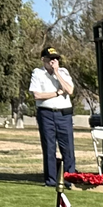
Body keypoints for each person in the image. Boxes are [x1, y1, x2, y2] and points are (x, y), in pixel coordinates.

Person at [30, 47, 77, 187]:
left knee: (67, 147)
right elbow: (37, 95)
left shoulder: (63, 72)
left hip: (64, 114)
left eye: (56, 59)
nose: (53, 62)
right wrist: (56, 93)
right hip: (46, 113)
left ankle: (69, 179)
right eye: (51, 59)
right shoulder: (37, 73)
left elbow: (69, 90)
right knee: (49, 148)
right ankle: (51, 180)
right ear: (43, 60)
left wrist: (57, 72)